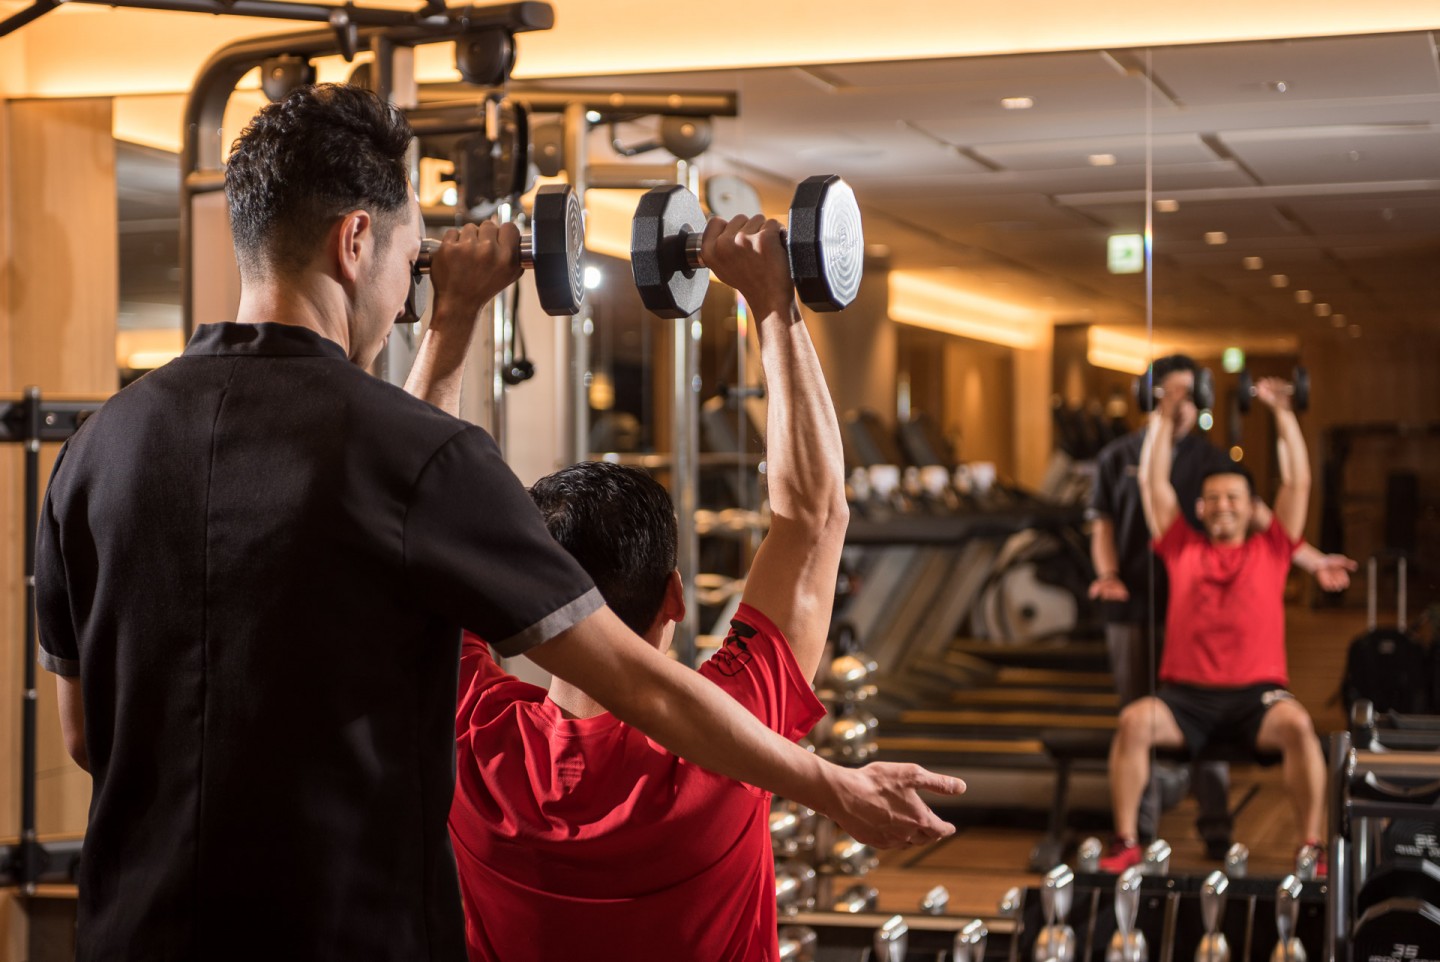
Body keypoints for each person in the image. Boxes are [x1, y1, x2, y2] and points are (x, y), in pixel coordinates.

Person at [33, 84, 960, 961]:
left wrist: (450, 317)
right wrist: (833, 785)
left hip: (131, 935)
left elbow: (84, 737)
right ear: (355, 241)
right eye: (413, 264)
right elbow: (683, 654)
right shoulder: (412, 461)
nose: (406, 295)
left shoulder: (94, 448)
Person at [441, 214, 859, 961]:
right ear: (675, 597)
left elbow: (410, 520)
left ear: (518, 600)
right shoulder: (735, 739)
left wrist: (455, 309)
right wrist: (771, 303)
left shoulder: (473, 736)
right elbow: (814, 518)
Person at [1087, 355, 1352, 855]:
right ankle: (1126, 841)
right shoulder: (1180, 547)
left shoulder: (1273, 549)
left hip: (1257, 698)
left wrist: (1282, 412)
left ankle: (1312, 847)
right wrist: (1162, 417)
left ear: (1252, 508)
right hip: (1186, 698)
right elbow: (1152, 483)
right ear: (1199, 508)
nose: (1223, 505)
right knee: (1133, 722)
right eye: (1213, 499)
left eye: (1234, 498)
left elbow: (1298, 483)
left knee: (1300, 726)